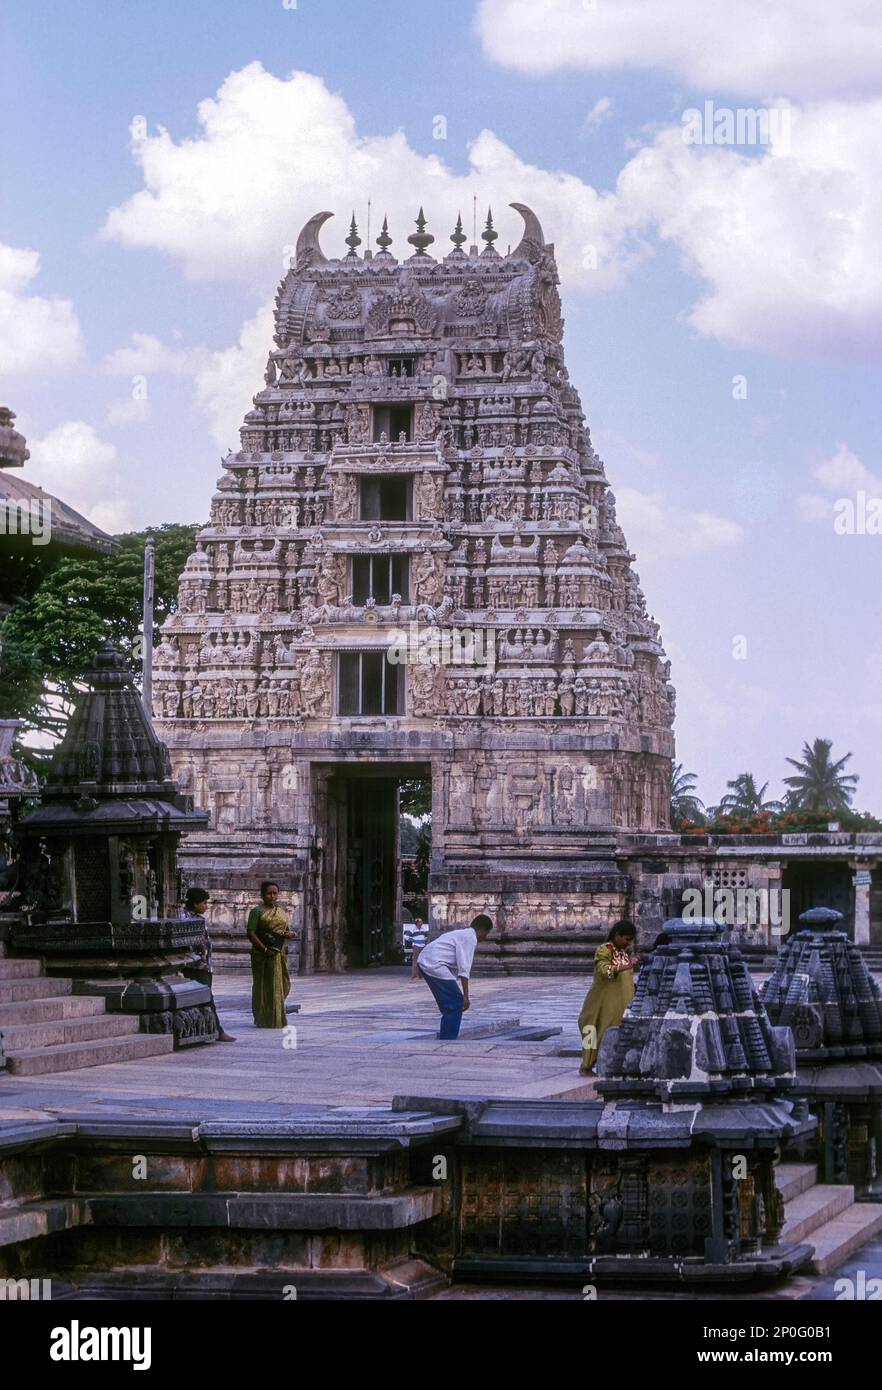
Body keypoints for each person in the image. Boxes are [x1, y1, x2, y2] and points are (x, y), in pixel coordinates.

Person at [416, 913, 494, 1039]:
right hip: (433, 963)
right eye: (486, 933)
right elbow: (464, 969)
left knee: (450, 1004)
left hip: (427, 960)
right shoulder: (470, 938)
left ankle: (446, 1035)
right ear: (481, 930)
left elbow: (453, 967)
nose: (486, 937)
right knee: (456, 1002)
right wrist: (466, 996)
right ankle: (448, 1039)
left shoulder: (461, 934)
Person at [577, 920, 640, 1075]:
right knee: (592, 1032)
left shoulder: (624, 954)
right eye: (626, 939)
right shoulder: (604, 950)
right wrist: (628, 965)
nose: (628, 943)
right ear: (617, 935)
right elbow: (604, 971)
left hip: (622, 1005)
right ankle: (586, 1065)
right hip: (601, 1003)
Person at [182, 887, 236, 1042]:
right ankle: (218, 1031)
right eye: (204, 903)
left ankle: (209, 1030)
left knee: (205, 997)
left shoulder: (195, 918)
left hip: (204, 965)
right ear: (195, 903)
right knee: (207, 998)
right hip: (196, 966)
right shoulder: (189, 920)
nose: (206, 906)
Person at [246, 880, 292, 1028]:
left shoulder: (281, 912)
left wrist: (289, 934)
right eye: (269, 893)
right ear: (262, 895)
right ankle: (262, 1018)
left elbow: (283, 931)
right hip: (261, 955)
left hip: (278, 954)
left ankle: (276, 1017)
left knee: (281, 984)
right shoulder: (256, 912)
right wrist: (264, 950)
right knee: (262, 985)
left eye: (275, 893)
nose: (272, 896)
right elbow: (251, 933)